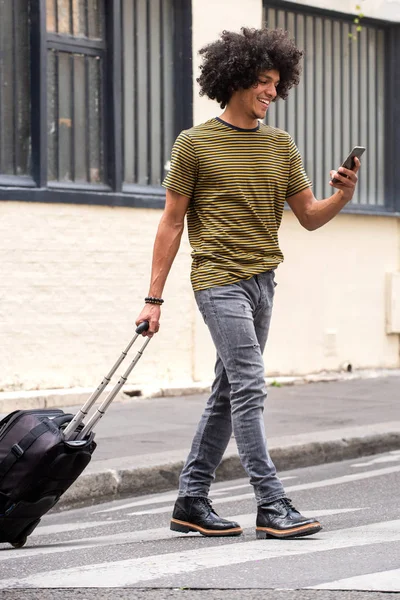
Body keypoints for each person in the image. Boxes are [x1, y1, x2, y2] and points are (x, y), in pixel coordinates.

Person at [135, 27, 361, 540]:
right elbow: (171, 223)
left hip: (263, 282)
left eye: (278, 84)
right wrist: (153, 298)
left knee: (228, 390)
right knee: (250, 385)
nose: (272, 93)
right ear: (235, 79)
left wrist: (343, 196)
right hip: (218, 281)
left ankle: (191, 500)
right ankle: (271, 502)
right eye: (263, 81)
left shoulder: (282, 146)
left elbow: (308, 217)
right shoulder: (193, 144)